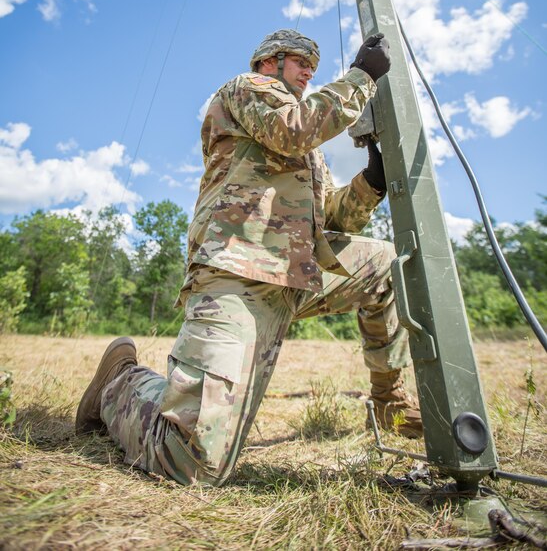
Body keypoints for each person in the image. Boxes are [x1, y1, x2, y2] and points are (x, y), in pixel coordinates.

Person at [76, 28, 421, 486]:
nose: (308, 72)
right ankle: (120, 382)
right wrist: (361, 77)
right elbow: (291, 129)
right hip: (238, 273)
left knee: (387, 266)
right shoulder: (248, 89)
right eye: (300, 62)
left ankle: (389, 402)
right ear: (268, 62)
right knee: (190, 463)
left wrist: (370, 182)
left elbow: (330, 219)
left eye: (313, 67)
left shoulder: (310, 153)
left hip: (298, 273)